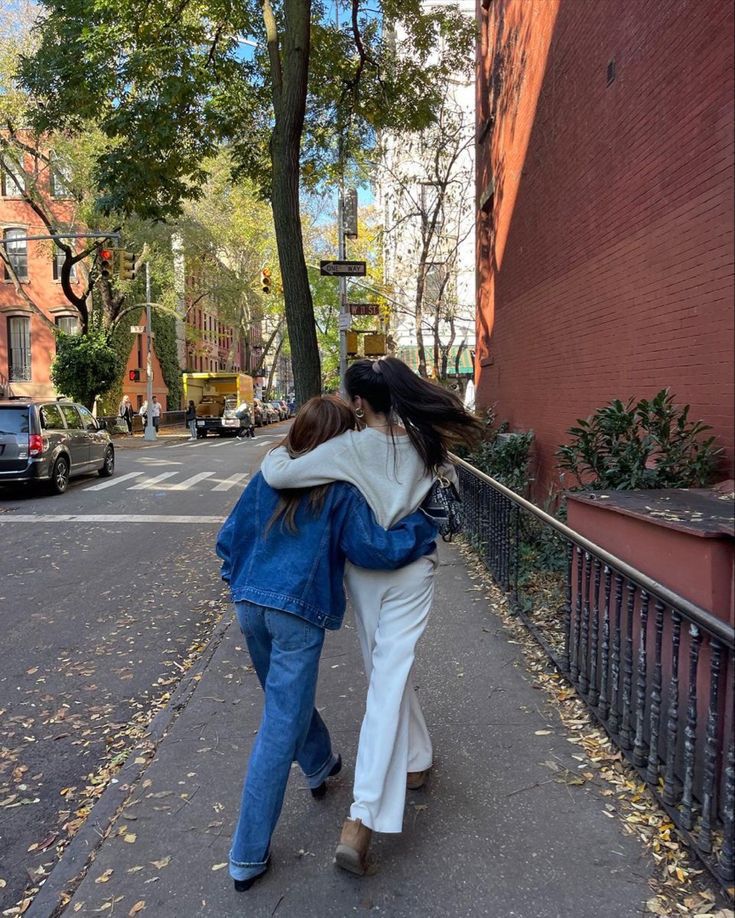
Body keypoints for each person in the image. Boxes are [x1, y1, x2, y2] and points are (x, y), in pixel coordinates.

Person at [260, 357, 483, 875]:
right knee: (391, 675)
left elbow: (277, 472)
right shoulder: (426, 444)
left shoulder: (348, 448)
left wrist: (283, 443)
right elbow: (451, 494)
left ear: (358, 402)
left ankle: (361, 819)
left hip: (365, 573)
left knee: (383, 678)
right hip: (414, 570)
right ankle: (417, 759)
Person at [216, 396, 437, 892]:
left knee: (283, 705)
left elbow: (229, 540)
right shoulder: (339, 487)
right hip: (297, 613)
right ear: (338, 441)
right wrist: (424, 530)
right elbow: (374, 549)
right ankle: (247, 855)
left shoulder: (269, 475)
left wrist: (240, 585)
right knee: (278, 724)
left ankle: (318, 764)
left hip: (249, 606)